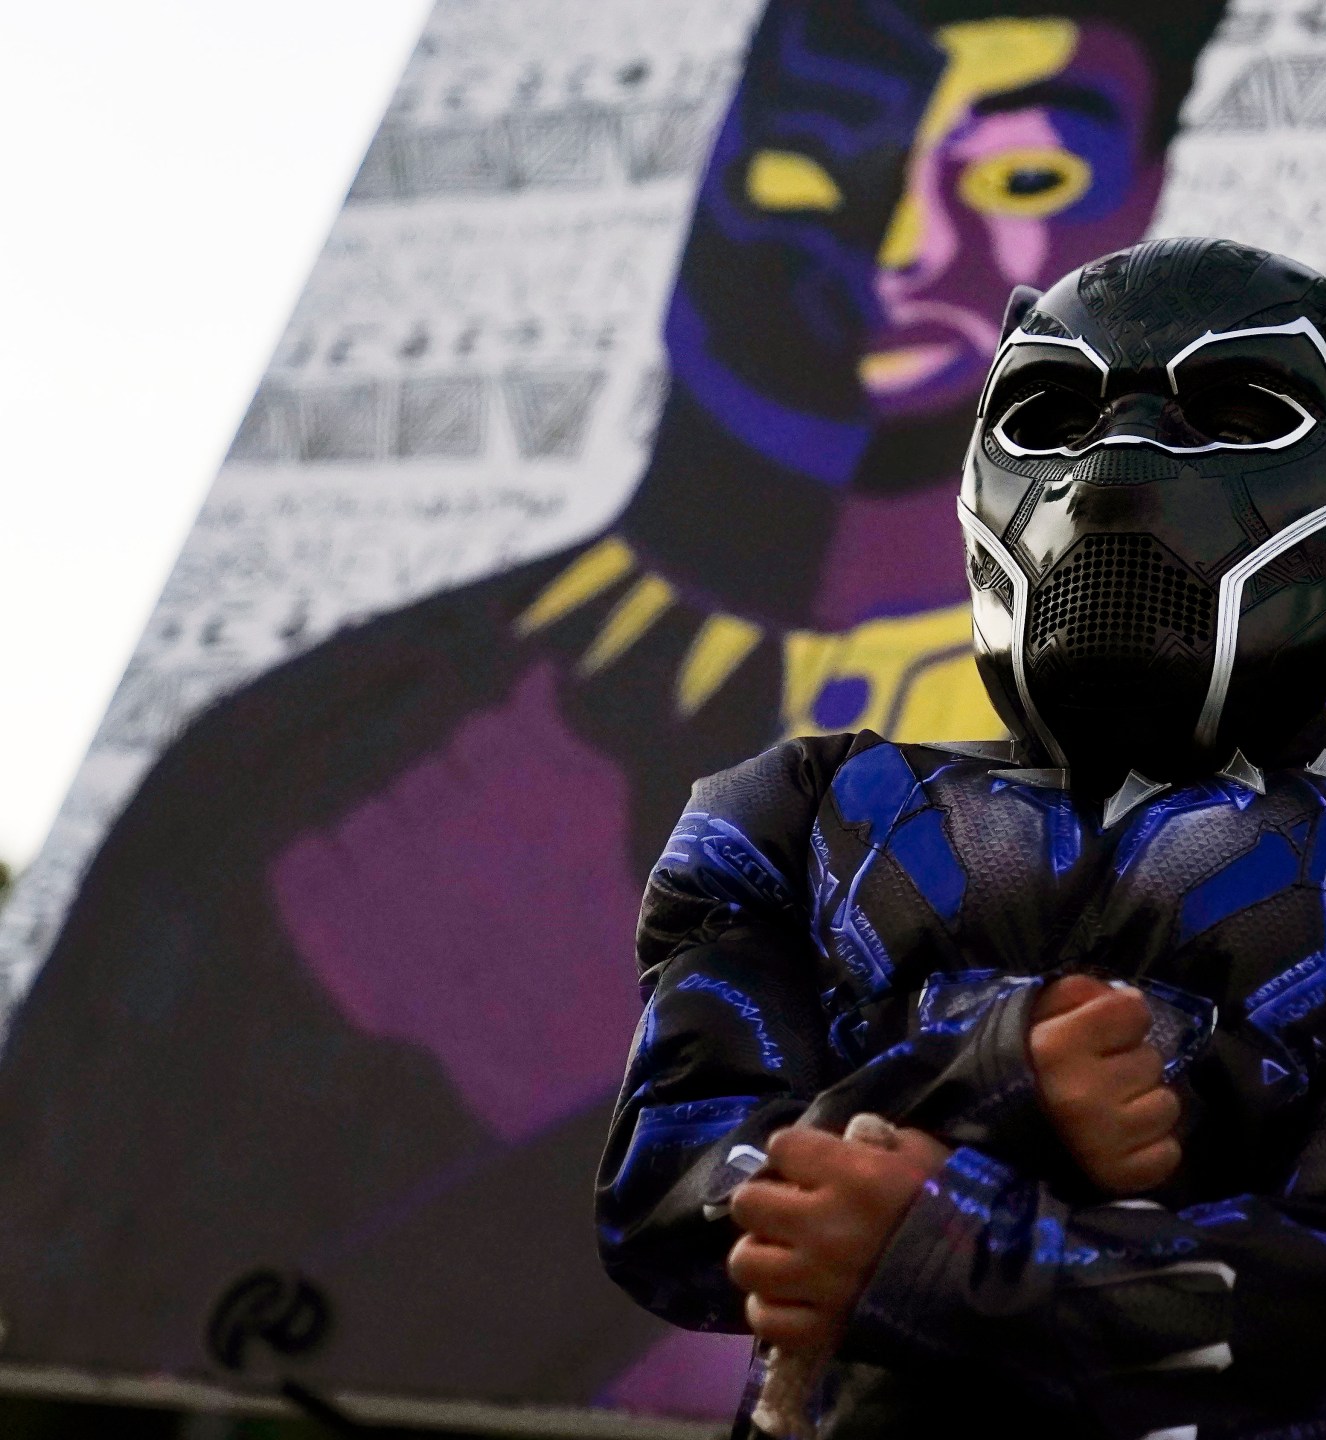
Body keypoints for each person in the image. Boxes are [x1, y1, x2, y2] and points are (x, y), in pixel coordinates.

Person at [0, 0, 1218, 1410]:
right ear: (716, 163)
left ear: (1140, 206)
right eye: (821, 158)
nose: (895, 240)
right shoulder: (311, 754)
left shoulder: (1218, 828)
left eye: (1019, 180)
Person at [597, 239, 1326, 1437]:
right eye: (1054, 408)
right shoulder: (787, 812)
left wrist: (950, 1249)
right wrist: (987, 1079)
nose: (1120, 461)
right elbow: (668, 1192)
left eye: (1238, 409)